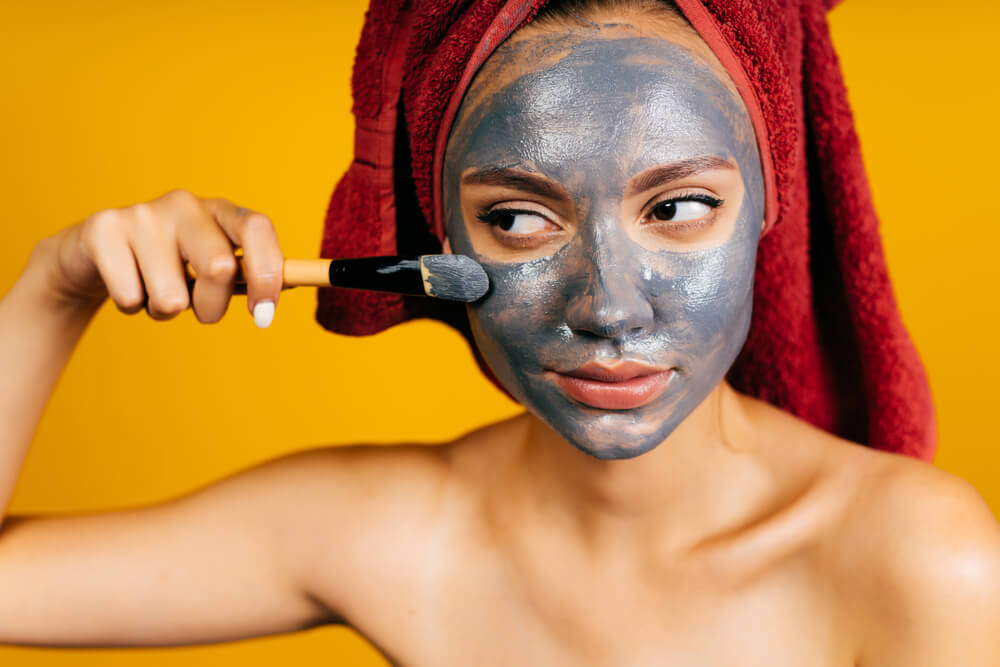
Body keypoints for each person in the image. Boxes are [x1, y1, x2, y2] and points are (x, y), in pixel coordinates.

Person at [1, 0, 999, 664]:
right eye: (519, 218)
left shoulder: (919, 561)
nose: (609, 308)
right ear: (439, 234)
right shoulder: (388, 529)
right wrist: (56, 285)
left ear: (769, 211)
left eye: (679, 206)